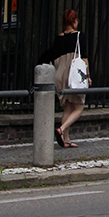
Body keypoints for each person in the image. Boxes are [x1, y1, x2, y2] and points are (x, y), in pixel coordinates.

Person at [38, 9, 90, 148]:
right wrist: (87, 76)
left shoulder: (58, 38)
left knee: (67, 107)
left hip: (59, 76)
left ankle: (66, 139)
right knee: (79, 107)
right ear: (74, 21)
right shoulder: (79, 36)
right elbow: (84, 58)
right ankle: (61, 130)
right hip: (73, 76)